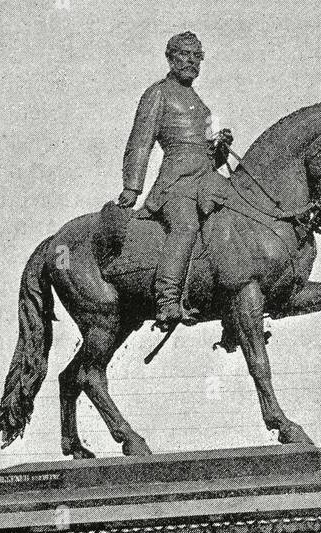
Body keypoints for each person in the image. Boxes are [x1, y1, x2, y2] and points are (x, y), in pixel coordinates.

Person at [117, 31, 233, 328]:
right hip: (176, 185)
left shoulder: (200, 104)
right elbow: (140, 142)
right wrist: (132, 186)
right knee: (186, 226)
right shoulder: (158, 93)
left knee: (238, 219)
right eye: (184, 54)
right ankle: (167, 300)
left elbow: (209, 156)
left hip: (207, 181)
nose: (191, 61)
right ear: (170, 57)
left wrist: (219, 149)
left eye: (197, 56)